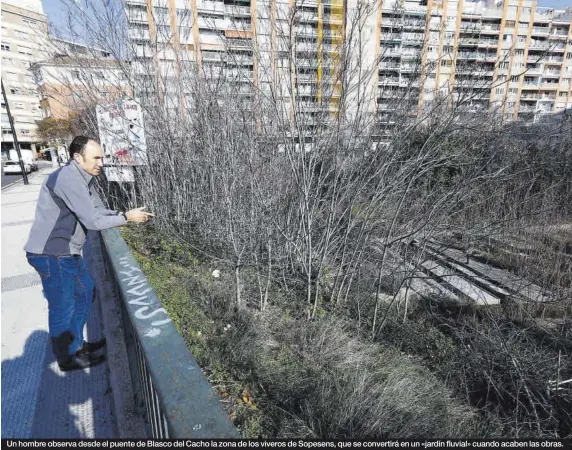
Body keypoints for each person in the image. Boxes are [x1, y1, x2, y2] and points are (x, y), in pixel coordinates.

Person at [24, 136, 154, 372]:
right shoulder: (68, 178)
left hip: (67, 252)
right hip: (52, 254)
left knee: (85, 292)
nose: (101, 163)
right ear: (77, 157)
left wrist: (122, 212)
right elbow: (92, 220)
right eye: (96, 158)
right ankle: (67, 358)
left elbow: (96, 209)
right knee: (62, 307)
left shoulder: (84, 178)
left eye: (102, 158)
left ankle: (76, 344)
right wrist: (126, 218)